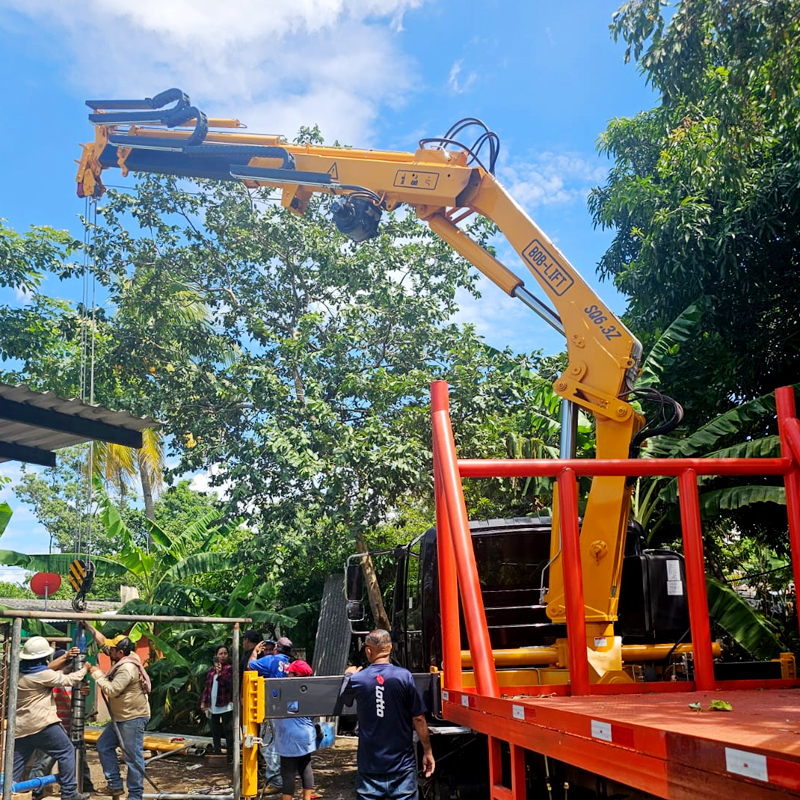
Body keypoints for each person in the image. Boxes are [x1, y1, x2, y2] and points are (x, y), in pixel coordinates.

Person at [340, 629, 434, 800]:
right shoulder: (404, 677)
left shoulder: (358, 679)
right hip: (402, 767)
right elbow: (419, 718)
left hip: (370, 767)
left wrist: (348, 675)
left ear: (369, 651)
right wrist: (427, 752)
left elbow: (345, 699)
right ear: (390, 648)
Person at [13, 637, 89, 800]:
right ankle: (69, 792)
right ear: (43, 657)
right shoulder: (42, 674)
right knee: (67, 751)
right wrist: (85, 669)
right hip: (41, 723)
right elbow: (70, 679)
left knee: (17, 764)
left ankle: (8, 792)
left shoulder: (19, 672)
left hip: (21, 726)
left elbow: (50, 669)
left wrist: (66, 656)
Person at [84, 631, 151, 800]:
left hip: (132, 718)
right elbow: (103, 644)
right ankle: (114, 784)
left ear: (120, 652)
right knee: (104, 745)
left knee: (132, 757)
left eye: (113, 650)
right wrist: (89, 626)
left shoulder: (127, 668)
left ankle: (135, 795)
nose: (109, 651)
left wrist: (96, 673)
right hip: (121, 717)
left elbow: (112, 690)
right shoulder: (127, 656)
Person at [28, 649, 95, 797]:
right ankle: (33, 792)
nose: (70, 665)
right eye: (67, 662)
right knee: (44, 762)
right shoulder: (49, 680)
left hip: (72, 728)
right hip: (53, 728)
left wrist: (84, 692)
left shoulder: (75, 681)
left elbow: (76, 696)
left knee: (79, 759)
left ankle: (85, 786)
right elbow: (49, 669)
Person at [248, 636, 293, 792]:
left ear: (275, 649)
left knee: (268, 746)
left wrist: (255, 652)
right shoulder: (288, 664)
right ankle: (282, 779)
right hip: (286, 710)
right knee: (280, 745)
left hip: (273, 709)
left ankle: (275, 781)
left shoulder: (271, 660)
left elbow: (250, 666)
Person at [274, 660, 317, 800]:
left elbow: (272, 701)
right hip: (306, 735)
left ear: (295, 675)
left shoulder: (285, 691)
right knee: (305, 767)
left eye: (289, 672)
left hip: (289, 737)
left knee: (288, 772)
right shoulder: (310, 692)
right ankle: (307, 798)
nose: (286, 674)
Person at [201, 644, 234, 763]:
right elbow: (207, 688)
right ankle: (217, 751)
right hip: (213, 704)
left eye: (225, 653)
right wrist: (204, 702)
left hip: (226, 703)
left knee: (228, 729)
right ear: (216, 656)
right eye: (220, 654)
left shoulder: (230, 669)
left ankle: (231, 754)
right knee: (215, 729)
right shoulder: (211, 670)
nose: (223, 656)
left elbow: (229, 684)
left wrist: (220, 674)